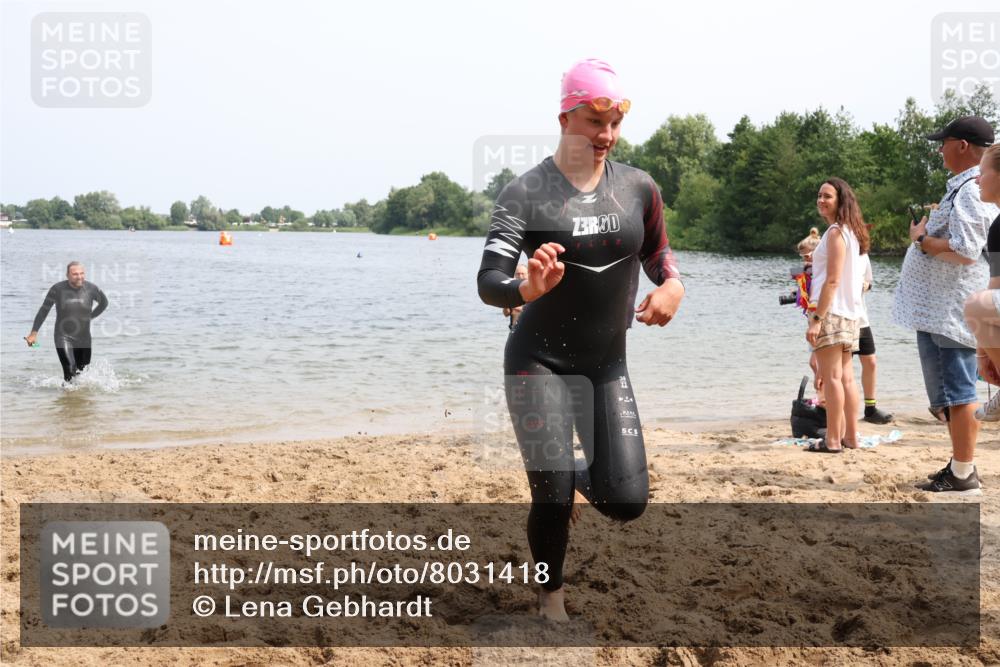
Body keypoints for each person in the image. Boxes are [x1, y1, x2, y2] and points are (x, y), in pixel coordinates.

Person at [476, 58, 684, 621]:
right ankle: (552, 602)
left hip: (605, 364)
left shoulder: (639, 187)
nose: (607, 136)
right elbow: (488, 283)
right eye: (595, 122)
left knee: (627, 501)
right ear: (564, 118)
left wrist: (673, 284)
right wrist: (527, 286)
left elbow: (657, 251)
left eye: (614, 123)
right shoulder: (526, 193)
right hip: (536, 361)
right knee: (551, 493)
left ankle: (569, 482)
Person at [893, 115, 998, 495]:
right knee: (953, 392)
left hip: (953, 309)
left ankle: (964, 472)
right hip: (945, 308)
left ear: (963, 146)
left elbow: (967, 251)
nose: (939, 149)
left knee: (959, 390)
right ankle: (959, 465)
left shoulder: (970, 190)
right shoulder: (970, 187)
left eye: (944, 142)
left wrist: (923, 241)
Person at [805, 178, 869, 453]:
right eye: (819, 195)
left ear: (841, 200)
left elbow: (832, 281)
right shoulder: (851, 233)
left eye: (827, 196)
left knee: (831, 377)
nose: (821, 200)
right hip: (851, 314)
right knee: (846, 378)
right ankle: (851, 437)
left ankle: (832, 440)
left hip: (831, 312)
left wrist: (817, 319)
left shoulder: (834, 232)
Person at [25, 261, 109, 383]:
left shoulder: (92, 288)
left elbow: (104, 303)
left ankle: (78, 400)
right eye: (75, 274)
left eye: (82, 273)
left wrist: (90, 317)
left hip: (84, 337)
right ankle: (68, 399)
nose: (79, 277)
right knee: (69, 369)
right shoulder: (57, 289)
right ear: (67, 275)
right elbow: (44, 310)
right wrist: (33, 333)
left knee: (82, 373)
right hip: (63, 336)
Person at [964, 143, 1000, 419]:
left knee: (976, 304)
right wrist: (982, 352)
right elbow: (996, 289)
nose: (977, 179)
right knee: (979, 305)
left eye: (982, 172)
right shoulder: (997, 227)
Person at [854, 254, 894, 424]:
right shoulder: (839, 246)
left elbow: (869, 284)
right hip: (842, 318)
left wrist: (865, 285)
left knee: (870, 362)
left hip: (861, 319)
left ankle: (870, 409)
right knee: (842, 368)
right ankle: (834, 409)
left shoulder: (863, 255)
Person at [502, 264, 529, 330]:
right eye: (518, 274)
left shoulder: (533, 289)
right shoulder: (511, 291)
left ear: (528, 275)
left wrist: (518, 308)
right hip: (514, 329)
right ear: (514, 276)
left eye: (523, 274)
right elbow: (506, 313)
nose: (520, 276)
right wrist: (505, 303)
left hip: (529, 327)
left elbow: (534, 310)